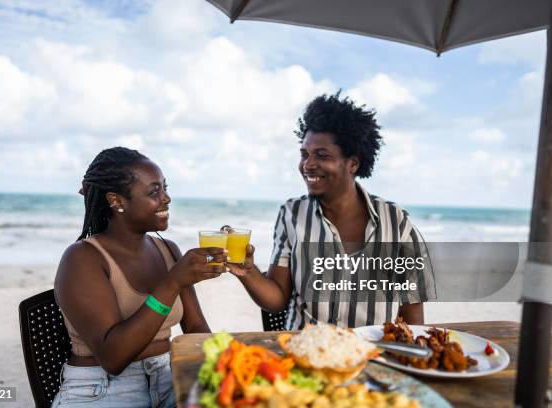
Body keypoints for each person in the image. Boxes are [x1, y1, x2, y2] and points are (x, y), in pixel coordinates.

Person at [227, 92, 436, 329]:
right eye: (305, 154)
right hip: (305, 353)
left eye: (322, 155)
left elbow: (413, 317)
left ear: (353, 163)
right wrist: (248, 272)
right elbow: (276, 300)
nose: (308, 165)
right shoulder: (292, 214)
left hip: (373, 357)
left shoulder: (395, 223)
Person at [52, 147, 225, 408]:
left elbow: (197, 329)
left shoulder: (168, 250)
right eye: (154, 191)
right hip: (103, 389)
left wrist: (224, 368)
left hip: (169, 377)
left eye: (165, 188)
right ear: (117, 201)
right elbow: (114, 358)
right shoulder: (82, 259)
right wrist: (172, 282)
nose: (166, 198)